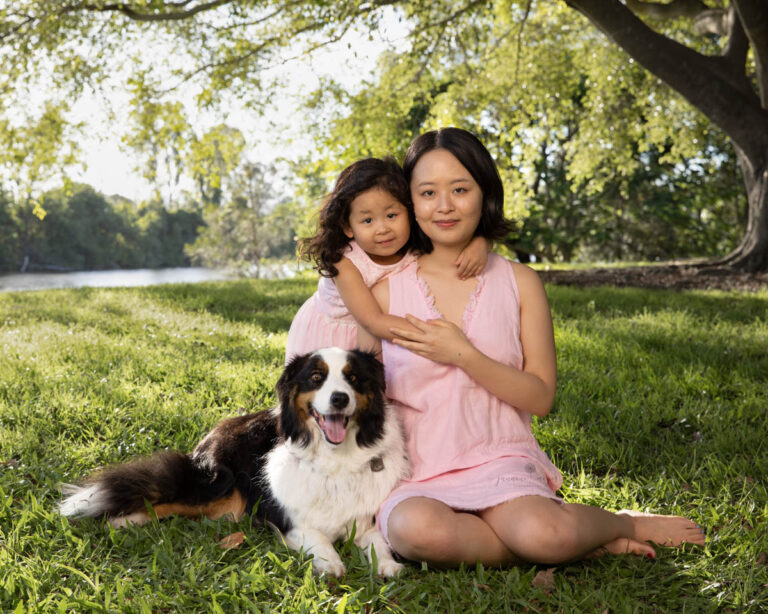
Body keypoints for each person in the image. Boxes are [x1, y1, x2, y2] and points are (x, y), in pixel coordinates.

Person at [360, 128, 706, 567]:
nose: (444, 206)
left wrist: (462, 354)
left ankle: (621, 524)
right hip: (416, 473)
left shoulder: (519, 283)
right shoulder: (384, 292)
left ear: (484, 194)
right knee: (416, 533)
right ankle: (567, 543)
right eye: (427, 192)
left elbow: (541, 398)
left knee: (547, 533)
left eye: (460, 189)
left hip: (500, 459)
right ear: (410, 203)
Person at [285, 157, 490, 362]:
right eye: (367, 220)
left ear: (410, 212)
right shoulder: (345, 262)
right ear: (348, 227)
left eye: (392, 215)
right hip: (336, 333)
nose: (383, 229)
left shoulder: (412, 245)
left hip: (385, 328)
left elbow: (455, 243)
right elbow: (373, 321)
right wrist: (432, 336)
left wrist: (481, 243)